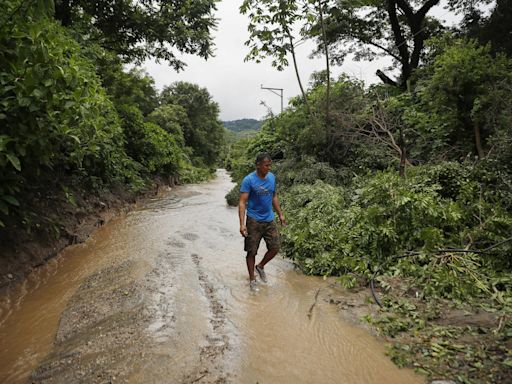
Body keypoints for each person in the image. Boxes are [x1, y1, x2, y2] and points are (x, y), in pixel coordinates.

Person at [238, 153, 286, 291]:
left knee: (275, 247)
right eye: (266, 165)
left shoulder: (271, 177)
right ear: (258, 165)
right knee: (251, 251)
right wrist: (242, 224)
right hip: (254, 220)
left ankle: (260, 266)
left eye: (270, 165)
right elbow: (242, 203)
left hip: (269, 219)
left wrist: (280, 214)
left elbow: (274, 196)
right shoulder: (249, 180)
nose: (269, 168)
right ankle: (252, 279)